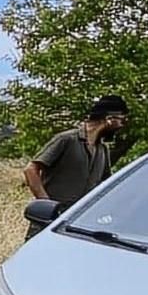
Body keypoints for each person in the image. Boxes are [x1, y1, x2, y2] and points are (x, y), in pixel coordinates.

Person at [22, 94, 130, 238]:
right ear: (109, 119)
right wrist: (47, 205)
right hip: (47, 223)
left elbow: (106, 185)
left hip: (79, 226)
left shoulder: (102, 149)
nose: (122, 126)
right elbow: (31, 170)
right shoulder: (66, 139)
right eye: (122, 120)